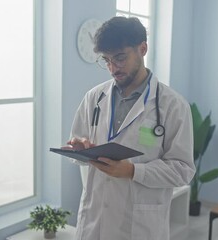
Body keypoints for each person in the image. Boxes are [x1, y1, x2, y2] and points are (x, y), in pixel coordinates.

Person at [66, 16, 195, 240]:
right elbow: (77, 149)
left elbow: (183, 170)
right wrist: (80, 149)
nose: (112, 68)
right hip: (94, 221)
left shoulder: (172, 105)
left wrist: (133, 171)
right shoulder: (94, 98)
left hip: (139, 227)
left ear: (142, 49)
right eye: (105, 60)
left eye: (120, 58)